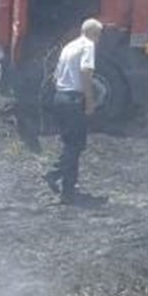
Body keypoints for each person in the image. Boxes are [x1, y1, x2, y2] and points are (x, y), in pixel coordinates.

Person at [43, 18, 103, 205]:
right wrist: (90, 100)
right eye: (100, 35)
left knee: (71, 144)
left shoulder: (69, 46)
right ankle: (54, 174)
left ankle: (68, 190)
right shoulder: (88, 46)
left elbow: (55, 76)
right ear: (95, 33)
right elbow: (86, 72)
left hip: (60, 97)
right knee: (75, 144)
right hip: (73, 99)